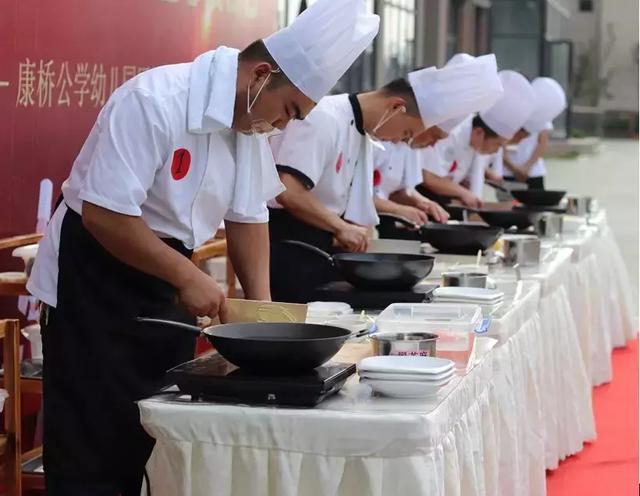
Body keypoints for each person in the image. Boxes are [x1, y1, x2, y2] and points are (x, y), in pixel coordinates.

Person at [26, 0, 379, 493]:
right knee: (94, 447)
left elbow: (250, 217)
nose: (283, 128)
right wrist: (186, 276)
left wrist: (262, 316)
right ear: (260, 76)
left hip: (164, 278)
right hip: (95, 278)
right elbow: (105, 215)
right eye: (289, 111)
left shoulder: (246, 122)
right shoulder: (153, 100)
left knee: (155, 436)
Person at [268, 56, 502, 301]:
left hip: (325, 243)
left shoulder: (361, 133)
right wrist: (341, 227)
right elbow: (288, 191)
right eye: (407, 132)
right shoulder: (324, 118)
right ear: (396, 107)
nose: (402, 141)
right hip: (290, 245)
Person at [374, 53, 504, 228]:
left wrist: (423, 203)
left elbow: (402, 190)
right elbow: (358, 196)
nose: (433, 145)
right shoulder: (378, 135)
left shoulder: (410, 145)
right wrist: (400, 209)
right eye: (434, 136)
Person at [419, 70, 536, 208]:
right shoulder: (452, 133)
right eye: (497, 145)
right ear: (479, 133)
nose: (495, 152)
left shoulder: (475, 145)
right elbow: (429, 177)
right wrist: (464, 193)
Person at [493, 77, 567, 190]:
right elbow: (498, 143)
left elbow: (542, 142)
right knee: (507, 205)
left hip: (533, 171)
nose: (521, 138)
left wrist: (527, 167)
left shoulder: (542, 111)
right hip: (505, 171)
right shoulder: (509, 109)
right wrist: (513, 168)